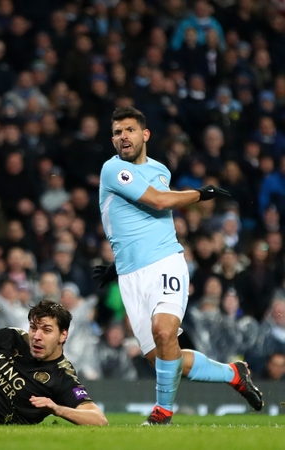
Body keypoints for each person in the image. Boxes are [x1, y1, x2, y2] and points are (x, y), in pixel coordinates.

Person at [94, 106, 263, 425]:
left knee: (164, 330)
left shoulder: (160, 170)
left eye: (129, 130)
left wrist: (191, 197)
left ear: (145, 135)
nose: (122, 137)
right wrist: (201, 194)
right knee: (161, 357)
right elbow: (158, 201)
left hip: (166, 262)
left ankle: (162, 412)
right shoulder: (111, 170)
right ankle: (232, 373)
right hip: (131, 276)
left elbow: (158, 206)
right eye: (116, 132)